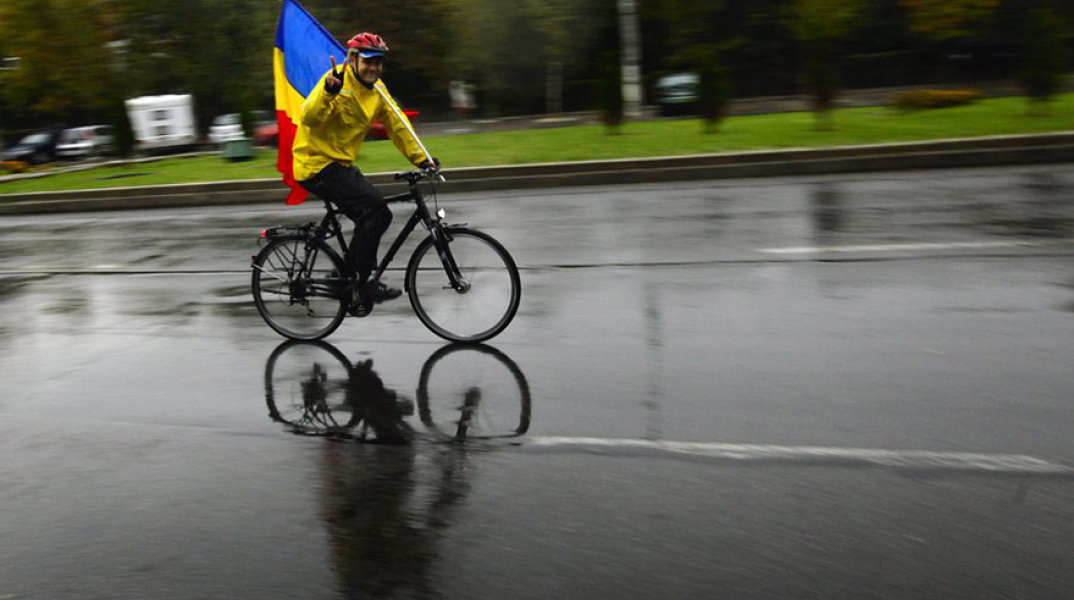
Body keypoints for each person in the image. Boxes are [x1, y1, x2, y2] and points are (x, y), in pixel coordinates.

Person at [292, 32, 439, 308]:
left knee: (378, 216)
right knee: (375, 210)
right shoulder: (335, 81)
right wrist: (328, 92)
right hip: (315, 164)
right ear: (353, 59)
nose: (373, 67)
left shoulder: (378, 91)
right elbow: (308, 117)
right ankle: (361, 283)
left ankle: (344, 278)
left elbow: (399, 127)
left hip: (341, 165)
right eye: (368, 61)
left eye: (379, 62)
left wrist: (423, 160)